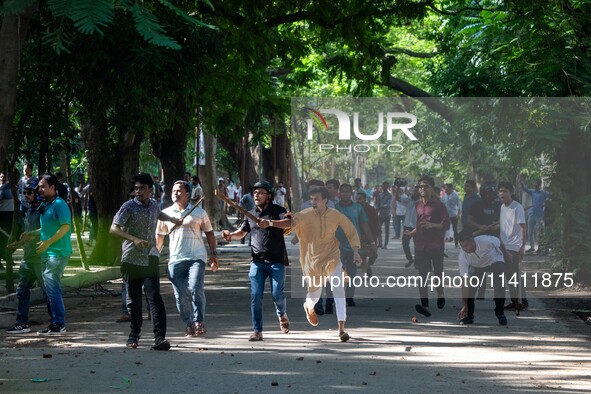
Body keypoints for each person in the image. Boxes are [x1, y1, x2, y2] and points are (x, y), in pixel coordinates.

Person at [110, 173, 179, 350]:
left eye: (142, 188)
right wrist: (133, 239)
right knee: (134, 300)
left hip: (150, 257)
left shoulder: (154, 205)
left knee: (155, 298)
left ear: (150, 190)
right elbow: (114, 229)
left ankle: (159, 338)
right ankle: (134, 335)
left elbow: (159, 214)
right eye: (136, 188)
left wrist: (171, 219)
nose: (138, 192)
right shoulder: (128, 207)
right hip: (131, 259)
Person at [289, 186, 362, 342]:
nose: (313, 202)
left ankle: (341, 329)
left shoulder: (335, 215)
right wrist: (269, 223)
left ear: (325, 200)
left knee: (339, 290)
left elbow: (351, 231)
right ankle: (309, 306)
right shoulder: (305, 214)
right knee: (315, 295)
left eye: (316, 199)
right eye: (311, 199)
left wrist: (356, 251)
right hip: (312, 261)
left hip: (332, 257)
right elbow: (290, 223)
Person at [221, 181, 290, 341]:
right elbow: (241, 233)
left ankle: (282, 314)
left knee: (276, 294)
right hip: (257, 261)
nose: (256, 195)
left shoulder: (278, 211)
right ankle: (257, 330)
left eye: (260, 192)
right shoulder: (250, 213)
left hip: (276, 261)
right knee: (256, 295)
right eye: (255, 193)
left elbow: (290, 223)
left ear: (269, 195)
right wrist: (230, 236)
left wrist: (270, 223)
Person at [157, 181, 218, 337]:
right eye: (173, 190)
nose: (175, 193)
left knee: (196, 288)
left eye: (179, 191)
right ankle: (189, 323)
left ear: (187, 194)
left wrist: (213, 254)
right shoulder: (165, 213)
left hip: (196, 257)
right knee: (180, 295)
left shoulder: (198, 212)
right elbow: (160, 237)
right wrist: (154, 255)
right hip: (175, 259)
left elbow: (210, 233)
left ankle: (199, 321)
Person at [19, 173, 72, 335]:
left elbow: (65, 227)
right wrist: (32, 234)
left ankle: (58, 324)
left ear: (53, 188)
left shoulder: (59, 204)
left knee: (53, 288)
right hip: (47, 253)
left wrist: (48, 242)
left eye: (43, 186)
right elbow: (48, 229)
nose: (39, 189)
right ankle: (55, 323)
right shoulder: (46, 205)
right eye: (39, 186)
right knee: (50, 289)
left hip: (58, 253)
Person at [5, 178, 51, 333]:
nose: (26, 195)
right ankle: (21, 323)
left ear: (36, 194)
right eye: (24, 193)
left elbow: (46, 232)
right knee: (22, 291)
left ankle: (56, 322)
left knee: (48, 291)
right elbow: (27, 237)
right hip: (27, 259)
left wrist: (30, 235)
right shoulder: (28, 212)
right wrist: (17, 244)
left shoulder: (43, 211)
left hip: (40, 258)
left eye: (29, 193)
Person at [409, 175, 450, 318]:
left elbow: (446, 225)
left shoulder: (439, 205)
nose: (422, 189)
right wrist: (411, 232)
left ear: (432, 188)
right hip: (421, 244)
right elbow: (419, 222)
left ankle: (440, 293)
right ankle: (424, 305)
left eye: (426, 186)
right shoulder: (417, 205)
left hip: (436, 244)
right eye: (420, 186)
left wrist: (432, 225)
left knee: (437, 273)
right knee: (422, 275)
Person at [331, 183, 372, 308]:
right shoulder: (335, 208)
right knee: (338, 272)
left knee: (352, 273)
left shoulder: (358, 208)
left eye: (347, 191)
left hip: (354, 246)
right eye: (342, 191)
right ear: (339, 193)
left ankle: (350, 298)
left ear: (351, 193)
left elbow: (364, 225)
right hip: (338, 246)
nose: (345, 194)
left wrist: (372, 242)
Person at [456, 231, 508, 326]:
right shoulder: (462, 256)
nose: (465, 249)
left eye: (467, 245)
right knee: (471, 288)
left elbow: (499, 243)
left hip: (494, 260)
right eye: (463, 246)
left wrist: (507, 255)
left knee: (499, 284)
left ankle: (500, 313)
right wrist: (464, 305)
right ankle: (469, 315)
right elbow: (464, 282)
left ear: (473, 241)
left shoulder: (486, 241)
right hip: (477, 266)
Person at [498, 181, 528, 310]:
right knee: (509, 274)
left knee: (514, 274)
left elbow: (523, 227)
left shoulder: (517, 207)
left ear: (511, 192)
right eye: (500, 191)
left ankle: (521, 301)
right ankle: (516, 300)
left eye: (505, 191)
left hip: (514, 246)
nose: (502, 194)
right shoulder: (502, 207)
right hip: (504, 245)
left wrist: (522, 247)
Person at [521, 180, 550, 254]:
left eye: (536, 184)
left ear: (539, 185)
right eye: (534, 184)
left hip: (539, 215)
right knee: (530, 232)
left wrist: (545, 204)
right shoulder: (532, 191)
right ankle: (532, 247)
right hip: (532, 214)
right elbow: (525, 189)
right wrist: (522, 184)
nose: (535, 185)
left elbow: (551, 196)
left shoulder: (543, 193)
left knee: (539, 232)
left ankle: (540, 248)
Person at [355, 191, 380, 277]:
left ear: (365, 200)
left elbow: (377, 224)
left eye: (360, 199)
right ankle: (365, 273)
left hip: (371, 236)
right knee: (362, 256)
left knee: (373, 255)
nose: (358, 201)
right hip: (360, 237)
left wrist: (378, 237)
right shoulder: (355, 209)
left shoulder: (371, 210)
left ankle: (369, 266)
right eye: (357, 199)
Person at [396, 185, 419, 268]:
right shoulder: (409, 200)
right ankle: (410, 259)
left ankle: (417, 262)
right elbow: (398, 199)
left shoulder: (421, 202)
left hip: (417, 226)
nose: (414, 192)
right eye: (413, 191)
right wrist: (398, 188)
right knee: (405, 243)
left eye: (416, 191)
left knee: (417, 244)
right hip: (407, 225)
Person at [0, 171, 14, 270]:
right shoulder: (3, 189)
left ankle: (7, 256)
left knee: (10, 238)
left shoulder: (12, 188)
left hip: (11, 215)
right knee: (3, 239)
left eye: (4, 177)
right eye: (1, 177)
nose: (2, 179)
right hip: (3, 216)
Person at [442, 183, 461, 248]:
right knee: (443, 228)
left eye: (447, 188)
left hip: (453, 214)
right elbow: (442, 202)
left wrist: (458, 214)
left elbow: (459, 204)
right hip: (446, 214)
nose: (445, 189)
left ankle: (456, 243)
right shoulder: (445, 195)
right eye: (445, 188)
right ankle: (442, 244)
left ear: (450, 188)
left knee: (455, 229)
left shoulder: (455, 195)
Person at [376, 181, 392, 249]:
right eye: (383, 186)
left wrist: (380, 206)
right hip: (381, 214)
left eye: (386, 186)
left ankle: (385, 244)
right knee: (378, 229)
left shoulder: (390, 195)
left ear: (388, 187)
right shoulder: (380, 195)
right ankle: (380, 243)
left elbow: (388, 205)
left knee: (387, 230)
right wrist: (377, 209)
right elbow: (377, 204)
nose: (384, 187)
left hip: (387, 214)